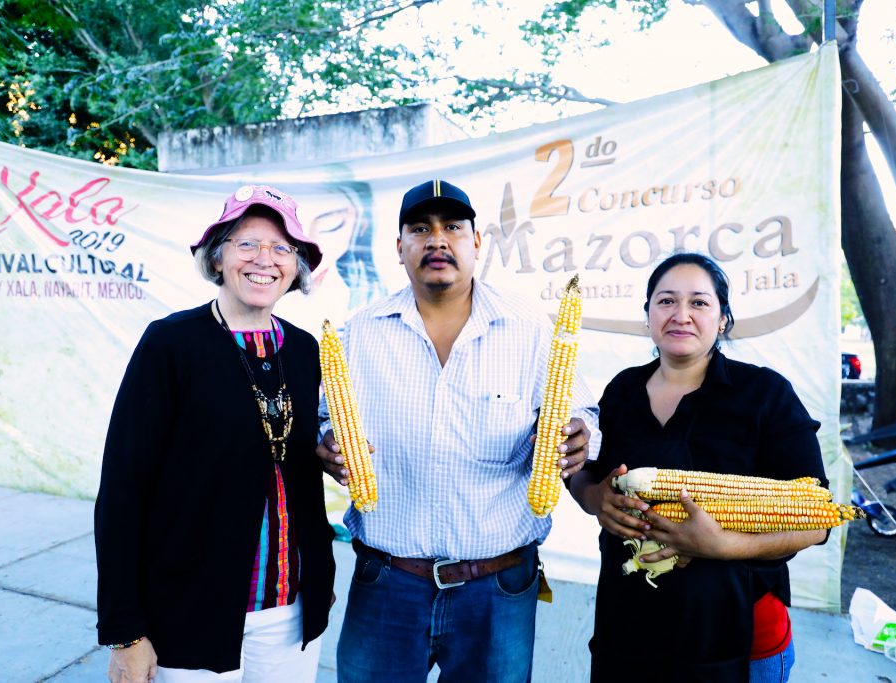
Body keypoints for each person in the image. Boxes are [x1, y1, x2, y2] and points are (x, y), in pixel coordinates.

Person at [316, 179, 601, 682]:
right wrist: (328, 446)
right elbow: (327, 419)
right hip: (388, 579)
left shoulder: (531, 329)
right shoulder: (358, 334)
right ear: (399, 247)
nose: (437, 240)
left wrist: (580, 433)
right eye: (420, 229)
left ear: (477, 243)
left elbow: (582, 416)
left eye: (453, 227)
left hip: (497, 588)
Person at [94, 185, 336, 683]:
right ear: (219, 256)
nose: (264, 259)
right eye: (247, 243)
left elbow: (287, 461)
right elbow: (122, 490)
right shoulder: (170, 344)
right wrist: (125, 631)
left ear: (296, 267)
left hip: (290, 610)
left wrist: (328, 456)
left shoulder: (306, 351)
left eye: (282, 248)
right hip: (190, 607)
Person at [568, 252, 828, 682]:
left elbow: (818, 521)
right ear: (648, 315)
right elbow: (585, 472)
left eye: (699, 303)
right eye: (666, 301)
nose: (681, 315)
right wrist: (594, 498)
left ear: (723, 318)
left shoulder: (764, 394)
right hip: (628, 631)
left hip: (737, 637)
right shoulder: (622, 391)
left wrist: (722, 544)